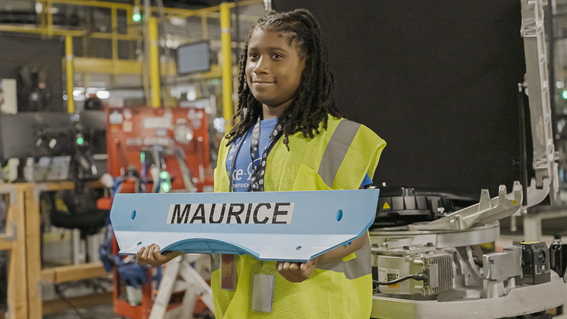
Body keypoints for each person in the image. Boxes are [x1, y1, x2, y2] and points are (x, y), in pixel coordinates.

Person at [137, 9, 386, 318]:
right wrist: (174, 245)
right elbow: (223, 222)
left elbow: (356, 232)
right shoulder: (232, 143)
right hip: (241, 307)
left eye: (276, 56)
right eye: (253, 56)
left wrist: (313, 258)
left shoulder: (341, 139)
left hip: (312, 308)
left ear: (306, 64)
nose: (260, 67)